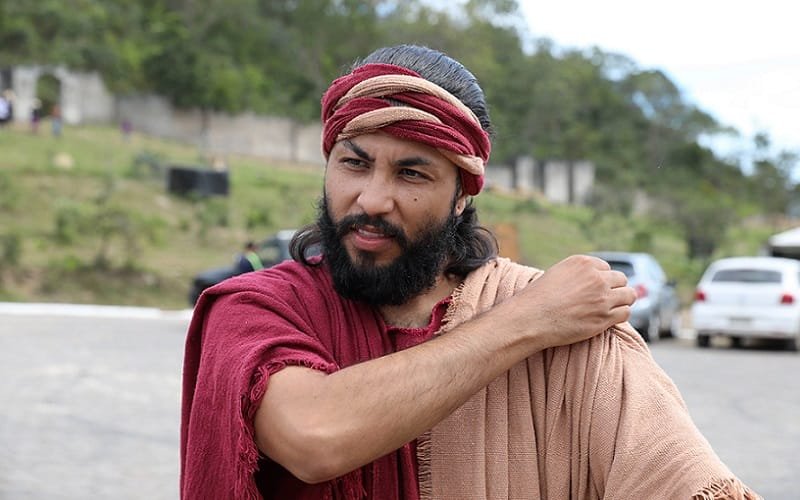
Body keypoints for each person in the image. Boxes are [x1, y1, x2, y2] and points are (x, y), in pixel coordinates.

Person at [181, 45, 760, 499]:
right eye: (353, 163)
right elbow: (313, 436)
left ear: (462, 196)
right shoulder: (254, 307)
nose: (373, 198)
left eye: (412, 174)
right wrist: (527, 321)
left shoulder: (576, 336)